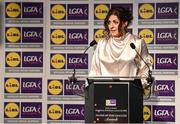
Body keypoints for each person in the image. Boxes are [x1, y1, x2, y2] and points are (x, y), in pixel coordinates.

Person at [89, 7, 153, 88]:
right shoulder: (102, 44)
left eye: (115, 22)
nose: (111, 26)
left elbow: (145, 70)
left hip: (129, 94)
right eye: (109, 22)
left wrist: (137, 87)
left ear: (124, 23)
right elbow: (94, 71)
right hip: (104, 93)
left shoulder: (137, 43)